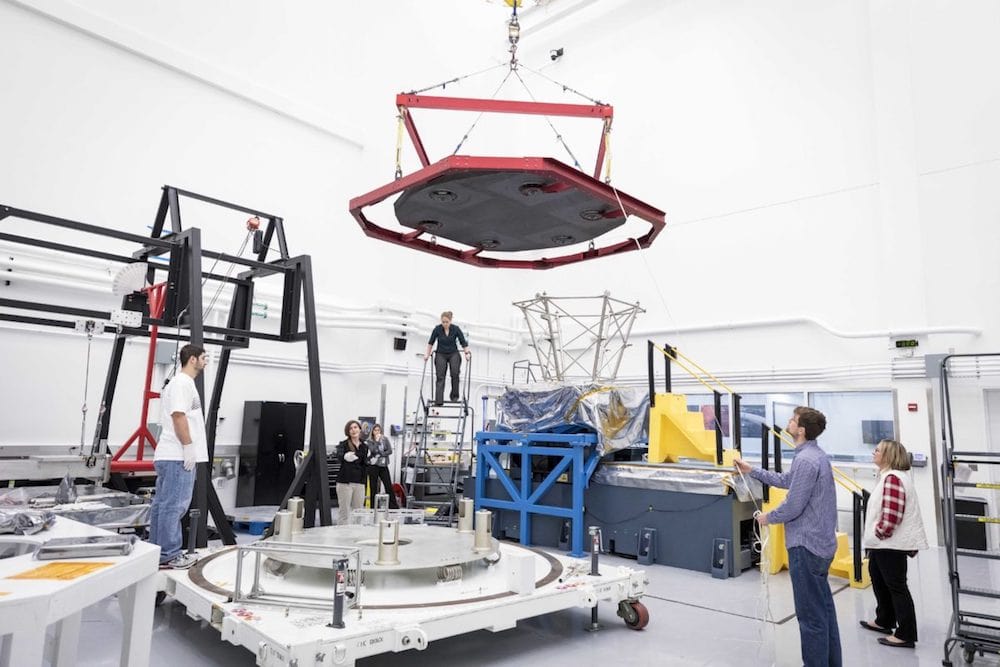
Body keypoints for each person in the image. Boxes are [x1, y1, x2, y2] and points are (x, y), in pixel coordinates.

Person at [734, 407, 841, 667]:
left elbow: (794, 505)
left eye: (792, 420)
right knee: (824, 612)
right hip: (821, 545)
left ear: (801, 430)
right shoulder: (814, 455)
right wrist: (752, 471)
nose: (789, 422)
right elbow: (787, 481)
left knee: (810, 617)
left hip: (807, 547)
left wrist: (767, 518)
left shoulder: (806, 460)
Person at [860, 439, 928, 649]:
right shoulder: (888, 477)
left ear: (888, 456)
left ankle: (906, 633)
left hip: (889, 543)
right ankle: (884, 620)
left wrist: (879, 534)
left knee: (896, 586)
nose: (874, 453)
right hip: (884, 543)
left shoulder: (893, 478)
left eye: (878, 450)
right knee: (879, 580)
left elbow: (892, 515)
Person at [148, 344, 208, 570]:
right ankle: (169, 555)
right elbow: (179, 416)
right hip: (177, 456)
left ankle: (158, 551)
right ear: (192, 359)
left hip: (171, 455)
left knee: (163, 505)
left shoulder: (181, 383)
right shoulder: (182, 383)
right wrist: (188, 447)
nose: (205, 361)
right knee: (174, 506)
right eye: (203, 357)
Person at [424, 310, 470, 406]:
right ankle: (439, 400)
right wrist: (427, 354)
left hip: (453, 353)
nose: (445, 324)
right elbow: (430, 343)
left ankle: (454, 396)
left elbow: (463, 342)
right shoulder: (437, 329)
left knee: (455, 373)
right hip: (441, 353)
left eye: (446, 322)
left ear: (450, 321)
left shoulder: (456, 329)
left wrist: (467, 353)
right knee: (440, 376)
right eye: (443, 322)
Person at [335, 420, 368, 525]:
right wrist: (344, 456)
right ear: (348, 432)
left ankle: (356, 535)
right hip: (345, 483)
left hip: (359, 483)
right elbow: (339, 455)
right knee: (344, 512)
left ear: (359, 429)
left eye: (355, 427)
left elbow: (365, 463)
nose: (353, 430)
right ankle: (342, 535)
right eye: (351, 428)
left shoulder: (364, 446)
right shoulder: (343, 445)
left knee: (358, 512)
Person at [366, 424, 399, 509]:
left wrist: (382, 454)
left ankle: (393, 506)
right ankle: (373, 507)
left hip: (383, 465)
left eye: (378, 430)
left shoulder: (385, 439)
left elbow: (390, 450)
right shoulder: (369, 441)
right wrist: (377, 442)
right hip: (373, 466)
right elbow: (373, 451)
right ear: (372, 432)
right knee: (373, 487)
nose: (377, 432)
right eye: (375, 430)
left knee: (388, 485)